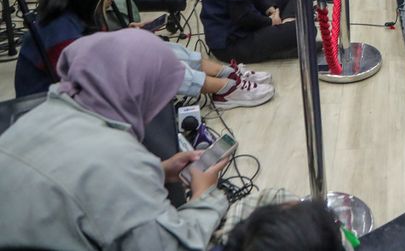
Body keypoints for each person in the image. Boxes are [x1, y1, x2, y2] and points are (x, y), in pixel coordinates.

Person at [0, 30, 231, 249]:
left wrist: (157, 171)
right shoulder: (118, 157)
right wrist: (206, 198)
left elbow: (70, 182)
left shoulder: (38, 117)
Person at [15, 0, 273, 109]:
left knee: (155, 48)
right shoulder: (59, 36)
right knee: (151, 64)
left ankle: (226, 76)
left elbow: (96, 51)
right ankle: (222, 88)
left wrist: (127, 38)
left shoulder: (79, 12)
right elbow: (90, 74)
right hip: (56, 106)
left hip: (84, 84)